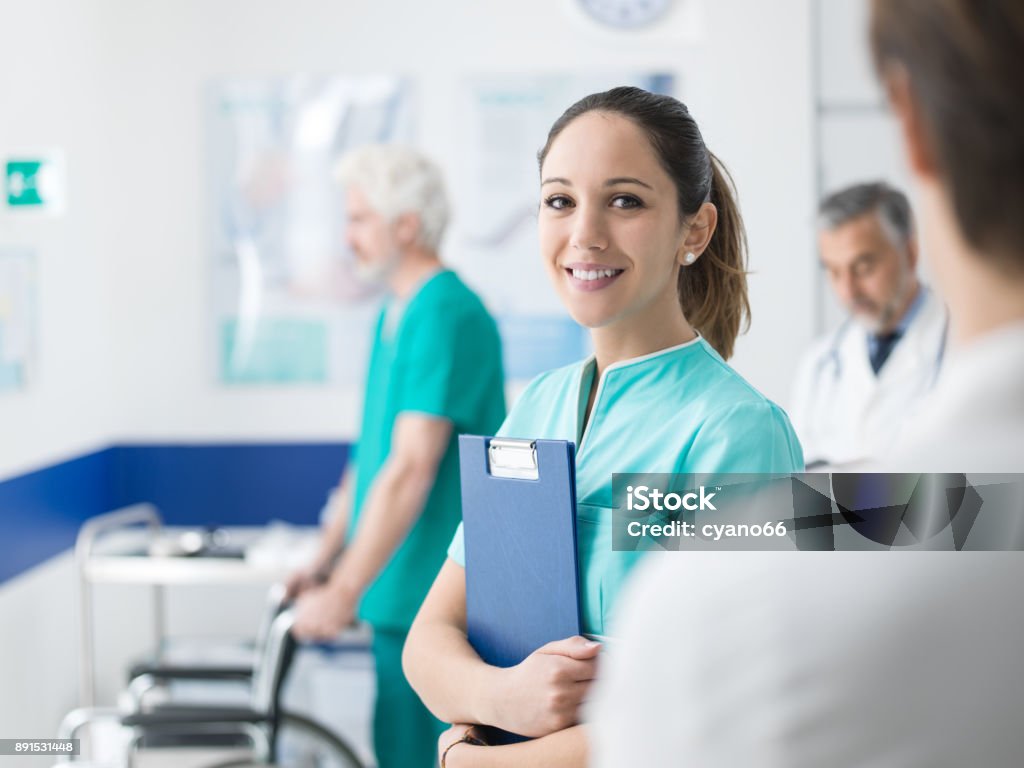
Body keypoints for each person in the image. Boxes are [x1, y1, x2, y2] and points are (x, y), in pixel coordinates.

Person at [590, 3, 1024, 765]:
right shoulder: (822, 375)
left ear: (913, 129)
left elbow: (932, 505)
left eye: (625, 200)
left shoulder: (722, 602)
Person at [401, 86, 804, 767]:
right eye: (560, 200)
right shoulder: (537, 407)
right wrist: (504, 700)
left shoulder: (736, 434)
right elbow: (429, 640)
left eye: (625, 201)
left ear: (694, 232)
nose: (584, 234)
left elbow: (708, 704)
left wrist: (477, 760)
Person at [286, 144, 506, 768]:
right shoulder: (397, 311)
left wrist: (346, 587)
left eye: (359, 218)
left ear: (405, 225)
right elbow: (372, 459)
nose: (347, 235)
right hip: (395, 594)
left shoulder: (444, 310)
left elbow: (411, 469)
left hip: (433, 602)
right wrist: (325, 560)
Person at [789, 182, 947, 468]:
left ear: (910, 253)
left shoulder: (961, 349)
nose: (848, 291)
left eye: (863, 268)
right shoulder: (818, 364)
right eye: (834, 272)